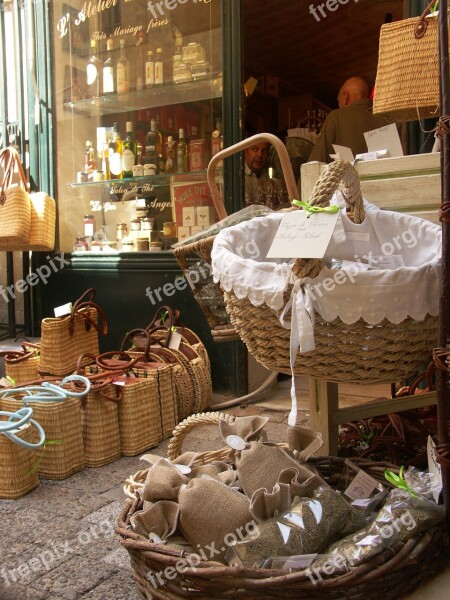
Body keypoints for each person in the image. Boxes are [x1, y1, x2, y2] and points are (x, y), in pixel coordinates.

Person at [308, 76, 391, 164]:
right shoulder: (389, 118)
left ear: (345, 97)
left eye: (338, 102)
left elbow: (314, 163)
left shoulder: (336, 116)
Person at [244, 141, 290, 209]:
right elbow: (246, 211)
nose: (260, 155)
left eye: (264, 151)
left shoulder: (266, 174)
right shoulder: (240, 176)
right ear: (245, 151)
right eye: (255, 149)